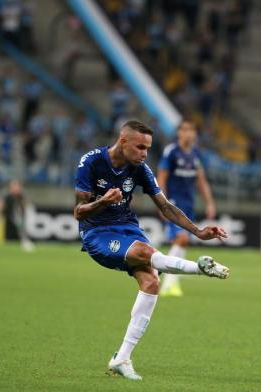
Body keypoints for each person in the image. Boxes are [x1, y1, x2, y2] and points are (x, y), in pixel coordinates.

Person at [74, 120, 229, 381]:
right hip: (97, 233)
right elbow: (79, 212)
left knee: (151, 282)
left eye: (148, 148)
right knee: (146, 253)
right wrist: (102, 201)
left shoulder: (140, 169)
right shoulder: (91, 162)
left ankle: (122, 358)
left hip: (127, 227)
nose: (145, 153)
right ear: (123, 142)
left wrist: (198, 231)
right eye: (140, 147)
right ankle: (199, 269)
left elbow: (166, 207)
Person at [157, 120, 216, 297]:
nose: (189, 133)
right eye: (185, 129)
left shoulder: (196, 154)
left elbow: (201, 180)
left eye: (192, 130)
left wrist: (210, 202)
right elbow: (162, 178)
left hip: (188, 205)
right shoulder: (171, 152)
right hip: (173, 204)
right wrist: (162, 203)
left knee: (183, 241)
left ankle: (168, 280)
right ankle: (167, 281)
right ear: (179, 133)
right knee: (182, 238)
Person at [0, 179, 34, 252]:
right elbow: (0, 206)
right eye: (13, 186)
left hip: (12, 212)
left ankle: (25, 241)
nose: (15, 188)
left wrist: (21, 208)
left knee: (20, 223)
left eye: (17, 186)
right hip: (2, 211)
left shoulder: (21, 195)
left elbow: (24, 205)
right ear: (11, 187)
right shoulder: (6, 194)